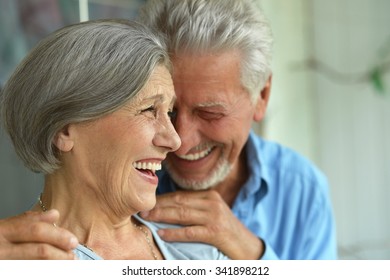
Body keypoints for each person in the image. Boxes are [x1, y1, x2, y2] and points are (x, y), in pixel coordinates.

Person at [0, 19, 228, 260]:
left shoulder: (198, 249)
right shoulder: (19, 259)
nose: (174, 140)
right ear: (64, 130)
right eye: (149, 109)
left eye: (168, 112)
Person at [137, 0, 338, 259]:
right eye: (166, 111)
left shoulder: (302, 190)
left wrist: (251, 252)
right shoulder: (122, 179)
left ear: (262, 96)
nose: (181, 141)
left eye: (210, 113)